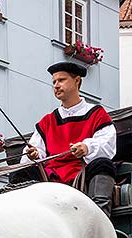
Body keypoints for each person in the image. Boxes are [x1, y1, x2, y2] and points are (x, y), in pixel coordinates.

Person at [11, 61, 118, 216]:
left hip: (82, 172)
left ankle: (99, 218)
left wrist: (87, 147)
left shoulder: (96, 113)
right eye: (54, 82)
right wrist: (33, 154)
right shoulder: (47, 121)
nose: (56, 85)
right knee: (20, 173)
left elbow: (107, 144)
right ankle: (21, 216)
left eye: (61, 80)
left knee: (103, 164)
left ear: (77, 81)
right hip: (51, 176)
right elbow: (36, 150)